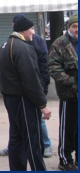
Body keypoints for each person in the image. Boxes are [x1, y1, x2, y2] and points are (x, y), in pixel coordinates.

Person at [0, 14, 53, 158]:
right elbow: (30, 79)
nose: (33, 32)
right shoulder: (22, 48)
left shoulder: (5, 45)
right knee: (32, 140)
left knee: (16, 138)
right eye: (31, 29)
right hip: (23, 99)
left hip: (12, 98)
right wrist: (42, 104)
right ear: (22, 30)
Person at [48, 14, 78, 171]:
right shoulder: (59, 44)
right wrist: (71, 82)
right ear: (69, 27)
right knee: (68, 129)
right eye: (74, 26)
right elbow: (53, 67)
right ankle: (65, 159)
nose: (77, 29)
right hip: (69, 95)